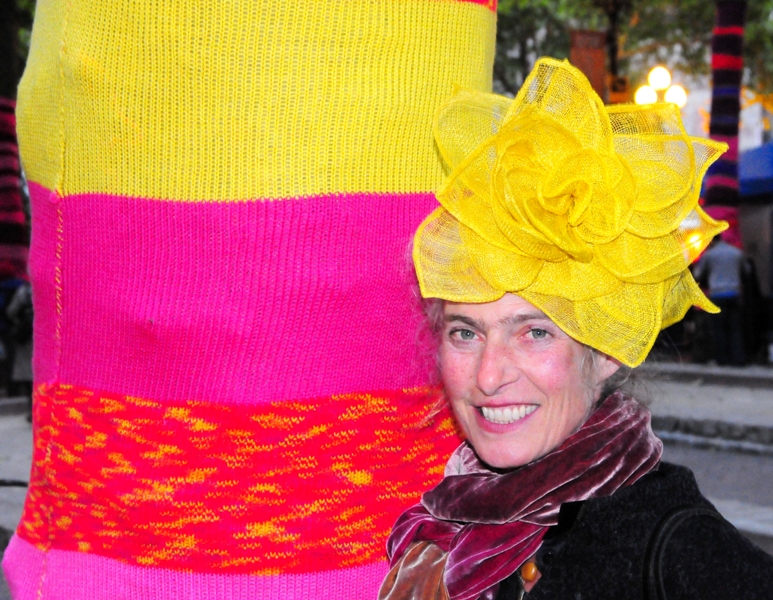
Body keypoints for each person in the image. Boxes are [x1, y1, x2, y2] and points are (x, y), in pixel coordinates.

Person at [379, 58, 773, 600]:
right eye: (466, 333)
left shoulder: (668, 546)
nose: (488, 377)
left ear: (607, 349)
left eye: (534, 332)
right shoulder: (450, 519)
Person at [692, 236, 748, 365]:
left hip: (717, 295)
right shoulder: (736, 252)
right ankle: (738, 359)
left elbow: (700, 275)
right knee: (735, 328)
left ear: (711, 241)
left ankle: (722, 359)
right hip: (734, 294)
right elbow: (746, 271)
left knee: (718, 328)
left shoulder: (709, 255)